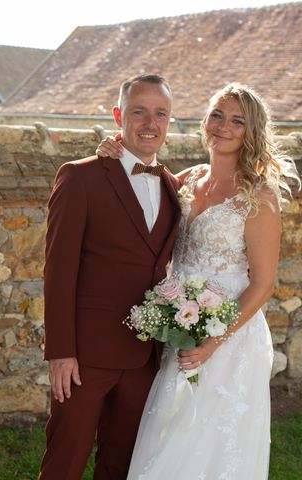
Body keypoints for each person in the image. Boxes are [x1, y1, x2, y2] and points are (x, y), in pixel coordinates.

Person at [96, 83, 299, 479]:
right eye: (217, 115)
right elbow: (138, 175)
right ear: (205, 121)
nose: (224, 126)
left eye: (237, 121)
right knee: (167, 433)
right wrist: (115, 150)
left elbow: (263, 284)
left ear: (251, 132)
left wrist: (211, 342)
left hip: (230, 339)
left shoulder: (260, 197)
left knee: (209, 445)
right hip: (181, 328)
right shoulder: (186, 179)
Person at [39, 74, 182, 479]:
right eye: (139, 112)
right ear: (119, 116)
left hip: (144, 357)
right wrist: (60, 351)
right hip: (84, 357)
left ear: (170, 121)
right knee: (64, 464)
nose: (149, 123)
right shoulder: (80, 177)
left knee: (120, 465)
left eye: (160, 114)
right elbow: (58, 271)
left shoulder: (174, 187)